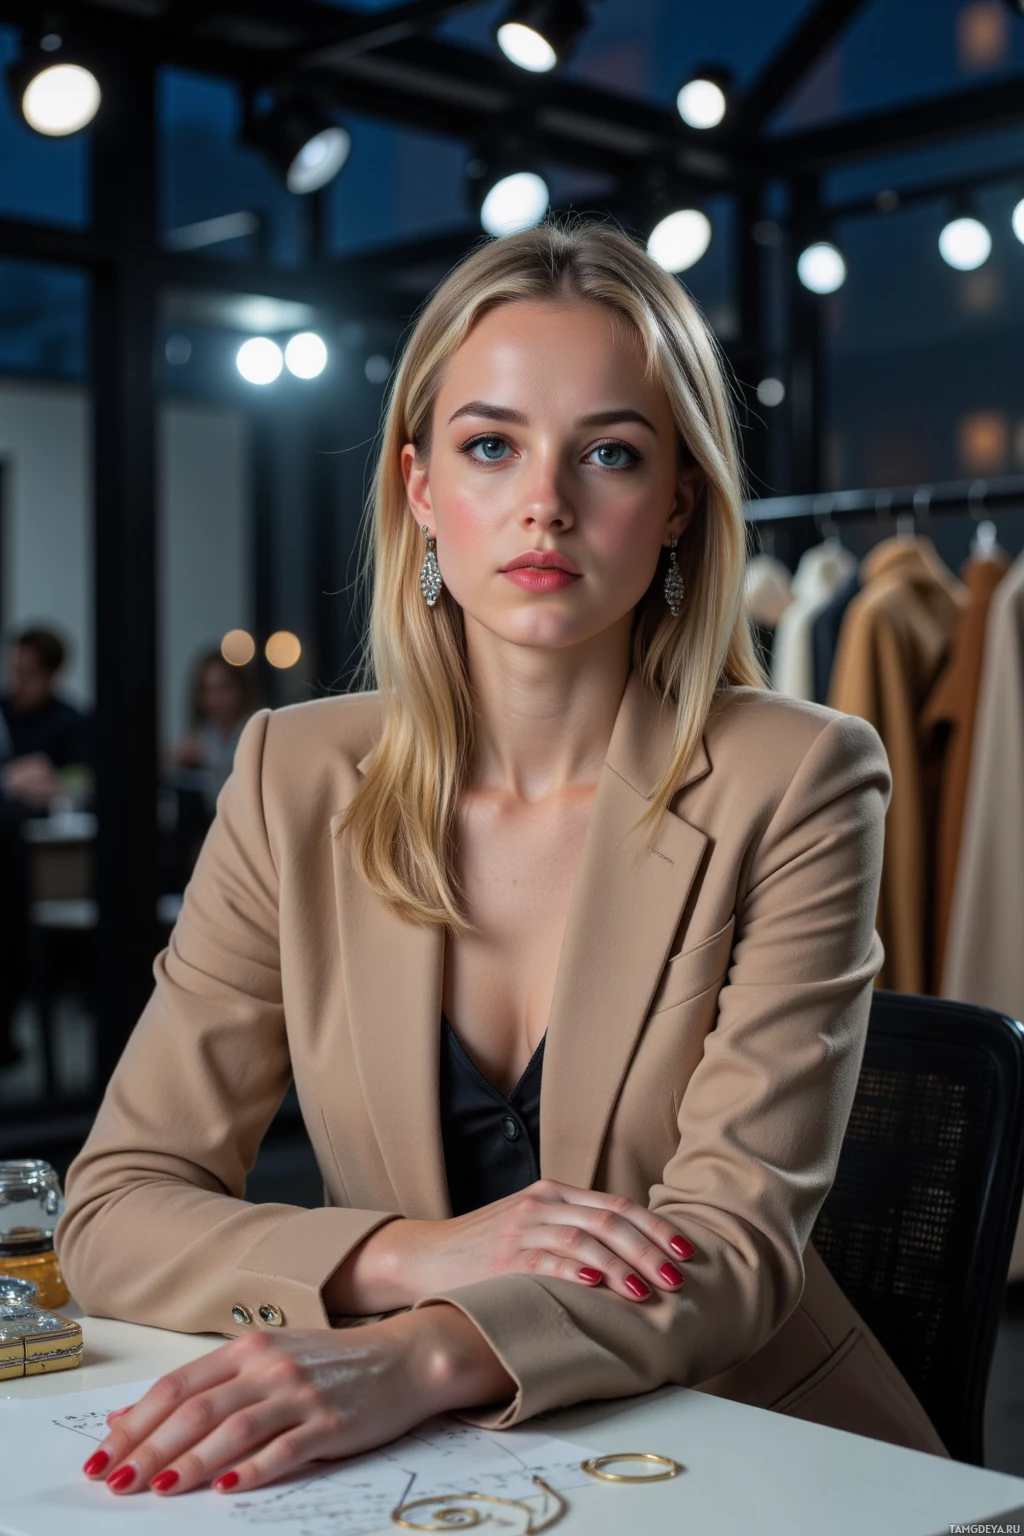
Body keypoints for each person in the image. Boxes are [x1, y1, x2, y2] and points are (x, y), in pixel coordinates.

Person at [55, 217, 949, 1505]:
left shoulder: (800, 775)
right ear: (420, 490)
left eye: (609, 452)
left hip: (736, 1449)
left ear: (680, 500)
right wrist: (419, 1255)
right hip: (427, 1472)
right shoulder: (292, 774)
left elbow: (733, 1247)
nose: (545, 502)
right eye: (490, 446)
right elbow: (117, 1210)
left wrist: (420, 1355)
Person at [0, 626, 92, 1069]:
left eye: (29, 673)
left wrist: (54, 784)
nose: (18, 682)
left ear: (53, 675)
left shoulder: (70, 721)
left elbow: (85, 784)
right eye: (15, 671)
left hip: (46, 864)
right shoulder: (4, 713)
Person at [173, 649, 262, 816]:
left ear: (241, 688)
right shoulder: (203, 735)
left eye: (222, 688)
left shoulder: (256, 732)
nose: (214, 699)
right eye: (206, 690)